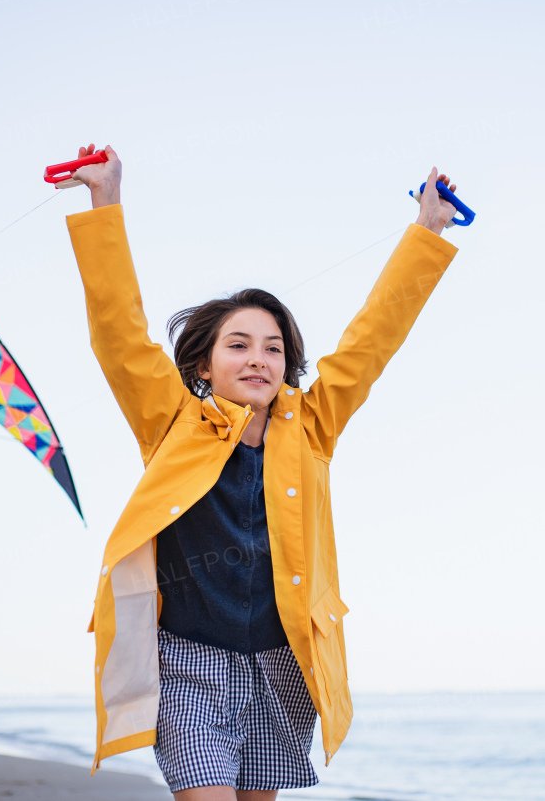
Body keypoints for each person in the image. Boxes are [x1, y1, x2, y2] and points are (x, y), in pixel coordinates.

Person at [66, 143, 461, 799]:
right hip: (188, 662)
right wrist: (105, 203)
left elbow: (372, 338)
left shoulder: (312, 425)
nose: (259, 358)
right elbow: (120, 332)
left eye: (273, 347)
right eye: (239, 344)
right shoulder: (170, 420)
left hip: (282, 664)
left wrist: (427, 231)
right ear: (204, 364)